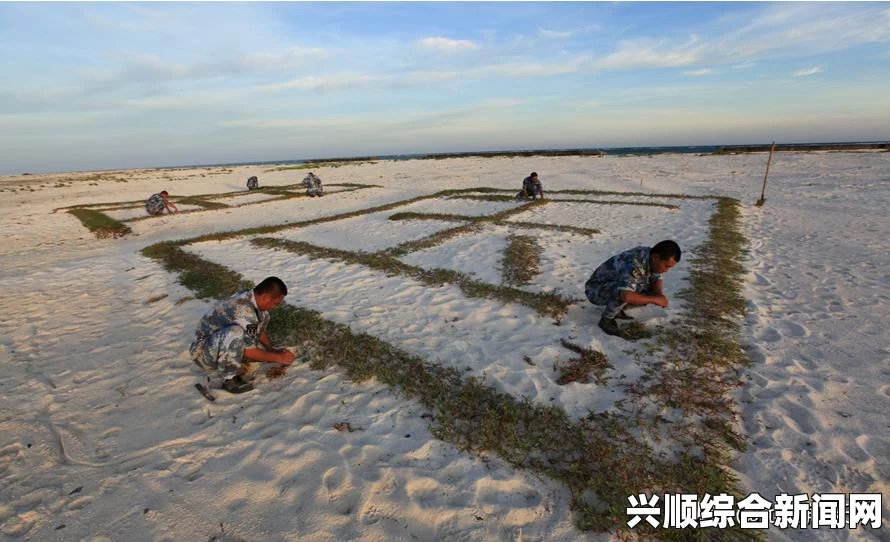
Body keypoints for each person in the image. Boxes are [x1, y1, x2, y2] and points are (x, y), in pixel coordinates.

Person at [190, 276, 296, 394]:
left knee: (263, 317)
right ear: (265, 297)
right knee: (235, 333)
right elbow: (248, 351)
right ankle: (229, 379)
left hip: (218, 344)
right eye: (275, 304)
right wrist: (278, 358)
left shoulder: (252, 299)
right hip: (202, 352)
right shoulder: (244, 311)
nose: (275, 307)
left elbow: (259, 329)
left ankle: (234, 362)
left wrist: (271, 349)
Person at [584, 240, 681, 337]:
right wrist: (655, 300)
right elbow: (626, 295)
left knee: (646, 290)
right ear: (656, 258)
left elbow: (656, 277)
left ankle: (616, 310)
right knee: (626, 292)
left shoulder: (651, 257)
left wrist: (659, 295)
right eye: (666, 266)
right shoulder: (634, 262)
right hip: (595, 290)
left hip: (611, 284)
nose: (666, 270)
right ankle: (606, 319)